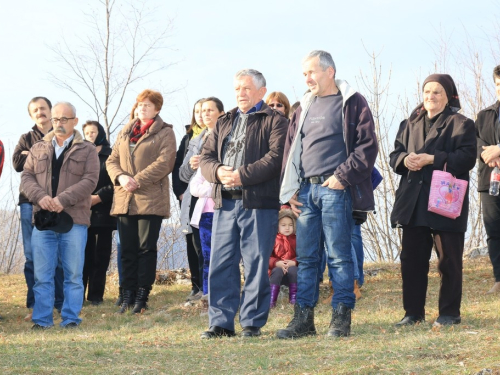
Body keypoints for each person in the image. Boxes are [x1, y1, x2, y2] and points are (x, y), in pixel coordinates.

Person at [279, 50, 378, 339]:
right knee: (307, 259)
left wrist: (341, 176)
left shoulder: (352, 102)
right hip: (307, 192)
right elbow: (290, 150)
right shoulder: (303, 107)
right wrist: (292, 189)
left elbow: (367, 147)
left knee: (338, 257)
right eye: (304, 74)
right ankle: (303, 320)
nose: (307, 78)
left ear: (329, 71)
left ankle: (340, 319)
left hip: (336, 190)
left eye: (311, 72)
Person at [199, 69, 288, 338]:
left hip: (258, 204)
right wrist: (217, 172)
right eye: (237, 88)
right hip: (224, 203)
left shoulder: (276, 121)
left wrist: (241, 175)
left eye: (247, 88)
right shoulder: (224, 121)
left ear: (261, 91)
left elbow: (275, 159)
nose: (241, 93)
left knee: (257, 264)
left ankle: (252, 322)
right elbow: (205, 157)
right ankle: (220, 323)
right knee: (221, 264)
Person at [390, 74, 476, 327]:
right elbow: (395, 153)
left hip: (445, 201)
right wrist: (405, 160)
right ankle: (413, 313)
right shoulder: (409, 123)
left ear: (448, 96)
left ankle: (449, 313)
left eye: (437, 92)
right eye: (427, 91)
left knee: (448, 260)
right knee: (412, 261)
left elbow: (467, 158)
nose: (431, 96)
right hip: (413, 201)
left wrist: (431, 159)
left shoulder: (461, 124)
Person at [21, 102, 99, 329]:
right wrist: (40, 197)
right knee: (41, 275)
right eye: (56, 119)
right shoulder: (38, 148)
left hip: (74, 220)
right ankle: (42, 320)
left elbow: (90, 181)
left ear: (75, 121)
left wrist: (61, 200)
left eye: (65, 119)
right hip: (43, 221)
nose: (59, 123)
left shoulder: (87, 150)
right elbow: (26, 177)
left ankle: (71, 319)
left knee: (73, 274)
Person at [106, 89, 176, 314]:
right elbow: (112, 160)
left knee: (145, 249)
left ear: (157, 109)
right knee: (126, 249)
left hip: (150, 199)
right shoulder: (125, 133)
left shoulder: (165, 132)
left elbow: (165, 163)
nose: (142, 108)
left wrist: (137, 179)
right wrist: (121, 177)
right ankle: (126, 293)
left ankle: (142, 296)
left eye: (147, 105)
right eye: (139, 104)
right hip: (125, 198)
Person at [12, 97, 64, 322]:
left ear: (51, 111)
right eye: (35, 110)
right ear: (31, 115)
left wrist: (30, 156)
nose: (39, 112)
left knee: (59, 255)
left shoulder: (63, 133)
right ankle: (34, 302)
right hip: (29, 202)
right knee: (32, 255)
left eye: (43, 108)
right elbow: (16, 163)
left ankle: (60, 302)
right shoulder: (26, 137)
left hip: (58, 201)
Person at [189, 97, 225, 300]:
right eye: (202, 111)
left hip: (226, 208)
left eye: (210, 110)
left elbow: (226, 176)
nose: (205, 114)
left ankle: (225, 291)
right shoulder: (200, 142)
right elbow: (195, 185)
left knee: (225, 256)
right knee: (207, 255)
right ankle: (207, 292)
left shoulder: (227, 140)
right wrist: (212, 189)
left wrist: (214, 186)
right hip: (205, 212)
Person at [172, 99, 205, 301]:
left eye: (205, 111)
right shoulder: (187, 138)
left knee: (203, 242)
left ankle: (206, 284)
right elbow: (177, 168)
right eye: (197, 111)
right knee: (190, 241)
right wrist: (180, 192)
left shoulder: (216, 134)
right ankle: (195, 285)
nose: (201, 115)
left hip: (206, 196)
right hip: (187, 197)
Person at [82, 121, 116, 305]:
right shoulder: (79, 154)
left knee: (100, 256)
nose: (90, 135)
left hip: (104, 213)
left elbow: (115, 183)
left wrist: (98, 197)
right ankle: (78, 295)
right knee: (81, 256)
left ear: (100, 133)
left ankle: (96, 296)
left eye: (93, 132)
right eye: (87, 133)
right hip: (81, 213)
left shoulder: (110, 155)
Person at [476, 65, 500, 295]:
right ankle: (499, 277)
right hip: (490, 181)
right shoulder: (484, 115)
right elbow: (479, 147)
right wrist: (492, 155)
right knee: (494, 229)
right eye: (498, 84)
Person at [268, 207, 297, 308]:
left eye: (290, 225)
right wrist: (276, 263)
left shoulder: (297, 239)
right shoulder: (273, 240)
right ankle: (271, 299)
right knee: (277, 271)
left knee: (294, 270)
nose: (287, 228)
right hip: (277, 272)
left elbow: (302, 256)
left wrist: (294, 262)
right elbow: (267, 257)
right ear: (277, 226)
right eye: (283, 225)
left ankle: (294, 298)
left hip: (292, 272)